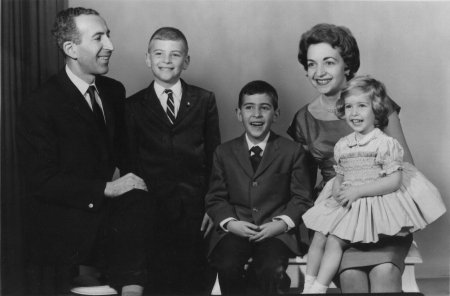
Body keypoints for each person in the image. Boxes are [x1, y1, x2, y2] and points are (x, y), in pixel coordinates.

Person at [16, 7, 152, 296]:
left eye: (109, 36)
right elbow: (41, 181)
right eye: (99, 38)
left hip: (115, 223)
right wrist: (106, 188)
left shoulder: (114, 90)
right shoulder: (39, 105)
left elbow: (126, 157)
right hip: (68, 230)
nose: (110, 46)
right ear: (71, 48)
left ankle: (131, 285)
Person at [287, 23, 416, 293]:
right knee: (352, 278)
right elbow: (302, 187)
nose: (319, 73)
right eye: (311, 64)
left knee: (384, 274)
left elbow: (405, 167)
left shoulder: (375, 102)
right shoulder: (302, 119)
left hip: (383, 209)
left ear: (347, 65)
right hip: (336, 212)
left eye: (329, 62)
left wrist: (368, 194)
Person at [301, 76, 446, 294]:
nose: (354, 113)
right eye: (349, 106)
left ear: (376, 109)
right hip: (351, 212)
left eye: (362, 106)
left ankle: (318, 286)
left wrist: (357, 191)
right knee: (328, 240)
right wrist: (338, 188)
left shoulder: (386, 143)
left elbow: (395, 181)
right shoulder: (343, 144)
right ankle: (312, 286)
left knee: (377, 268)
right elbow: (341, 172)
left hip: (380, 216)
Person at [124, 27, 221, 294]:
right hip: (152, 210)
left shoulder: (203, 100)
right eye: (159, 54)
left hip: (196, 210)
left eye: (175, 54)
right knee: (159, 281)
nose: (167, 61)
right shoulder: (132, 106)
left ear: (186, 61)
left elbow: (215, 157)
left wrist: (212, 206)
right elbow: (131, 163)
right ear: (148, 59)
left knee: (196, 279)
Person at [206, 80, 313, 295]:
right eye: (249, 108)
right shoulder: (224, 152)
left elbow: (302, 198)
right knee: (227, 265)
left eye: (264, 108)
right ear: (239, 114)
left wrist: (280, 224)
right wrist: (231, 224)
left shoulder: (292, 151)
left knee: (270, 268)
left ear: (275, 114)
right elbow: (216, 198)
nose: (256, 114)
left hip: (275, 232)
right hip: (236, 228)